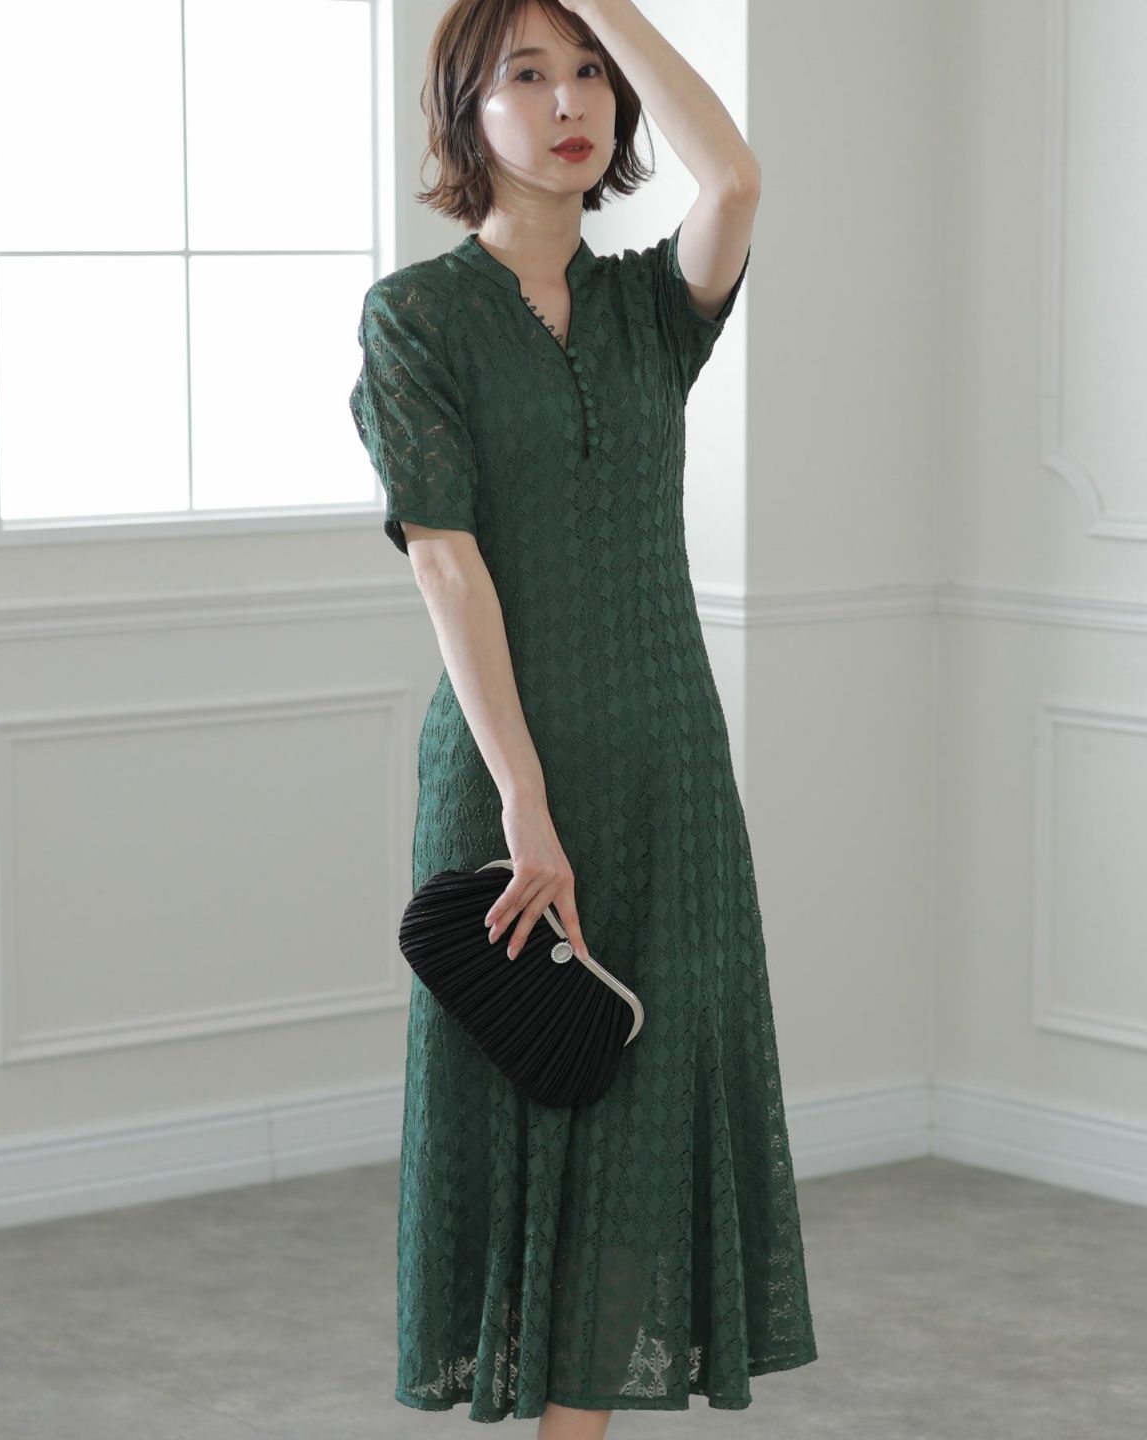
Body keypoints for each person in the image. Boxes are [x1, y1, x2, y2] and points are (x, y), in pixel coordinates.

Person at [349, 1, 817, 1433]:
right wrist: (524, 804)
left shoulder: (651, 311)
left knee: (645, 1110)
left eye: (591, 75)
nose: (572, 102)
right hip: (508, 776)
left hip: (668, 766)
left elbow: (735, 177)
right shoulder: (417, 317)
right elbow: (447, 564)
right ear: (465, 112)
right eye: (529, 75)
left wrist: (609, 2)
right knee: (529, 1096)